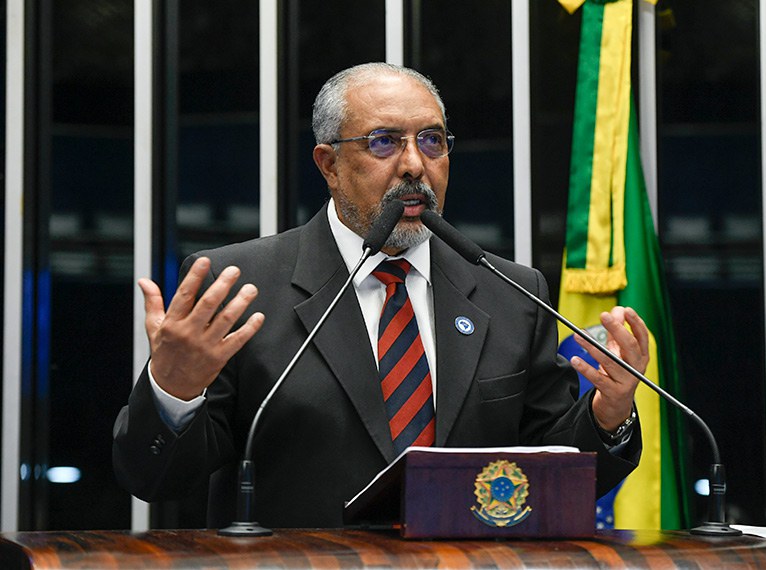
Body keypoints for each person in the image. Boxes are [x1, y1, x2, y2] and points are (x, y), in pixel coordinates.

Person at [113, 62, 648, 529]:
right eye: (384, 141)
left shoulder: (511, 292)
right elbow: (154, 479)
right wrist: (174, 391)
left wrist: (609, 414)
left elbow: (551, 474)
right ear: (329, 166)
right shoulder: (243, 286)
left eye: (432, 141)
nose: (415, 164)